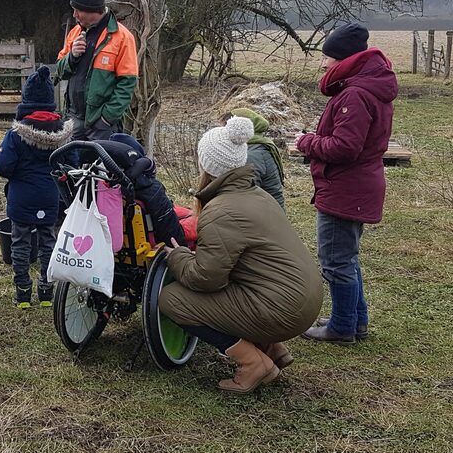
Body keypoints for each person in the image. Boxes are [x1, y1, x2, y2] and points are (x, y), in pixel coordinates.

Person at [158, 117, 322, 394]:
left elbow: (206, 279)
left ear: (207, 164)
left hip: (282, 309)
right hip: (304, 298)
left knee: (172, 300)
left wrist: (177, 256)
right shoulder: (256, 194)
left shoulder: (221, 211)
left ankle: (252, 363)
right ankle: (271, 348)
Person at [297, 22, 398, 344]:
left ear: (343, 59)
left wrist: (306, 142)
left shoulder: (354, 94)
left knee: (336, 260)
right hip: (354, 185)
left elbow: (344, 147)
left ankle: (341, 327)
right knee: (346, 258)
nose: (323, 64)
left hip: (346, 187)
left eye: (328, 57)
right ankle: (355, 321)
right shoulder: (367, 87)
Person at [0, 66, 72, 308]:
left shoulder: (16, 134)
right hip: (50, 196)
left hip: (21, 197)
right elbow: (72, 164)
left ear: (27, 99)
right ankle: (47, 292)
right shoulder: (63, 133)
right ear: (50, 100)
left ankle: (23, 294)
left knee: (20, 242)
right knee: (49, 240)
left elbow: (3, 167)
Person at [55, 0, 138, 141]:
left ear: (92, 10)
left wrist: (106, 119)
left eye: (78, 10)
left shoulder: (123, 37)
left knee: (101, 165)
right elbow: (59, 71)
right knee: (70, 165)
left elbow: (127, 84)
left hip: (102, 125)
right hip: (73, 120)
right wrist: (71, 57)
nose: (74, 15)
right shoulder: (75, 33)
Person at [228, 107, 285, 210]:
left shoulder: (251, 155)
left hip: (265, 215)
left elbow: (246, 196)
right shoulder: (258, 145)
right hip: (269, 211)